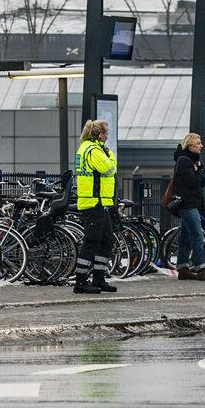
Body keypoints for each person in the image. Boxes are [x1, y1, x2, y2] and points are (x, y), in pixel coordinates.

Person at [73, 119, 118, 294]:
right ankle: (81, 281)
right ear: (99, 135)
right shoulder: (93, 150)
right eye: (105, 133)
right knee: (92, 242)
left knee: (106, 241)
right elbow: (109, 169)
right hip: (93, 202)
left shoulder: (88, 148)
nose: (107, 136)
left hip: (99, 202)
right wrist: (110, 156)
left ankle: (99, 278)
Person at [171, 133, 205, 281]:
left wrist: (199, 171)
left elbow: (203, 182)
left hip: (192, 203)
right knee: (196, 235)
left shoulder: (194, 161)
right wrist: (199, 171)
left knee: (186, 237)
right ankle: (202, 268)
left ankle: (182, 268)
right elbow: (192, 181)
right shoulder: (183, 160)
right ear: (190, 146)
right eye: (198, 143)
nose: (201, 146)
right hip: (187, 204)